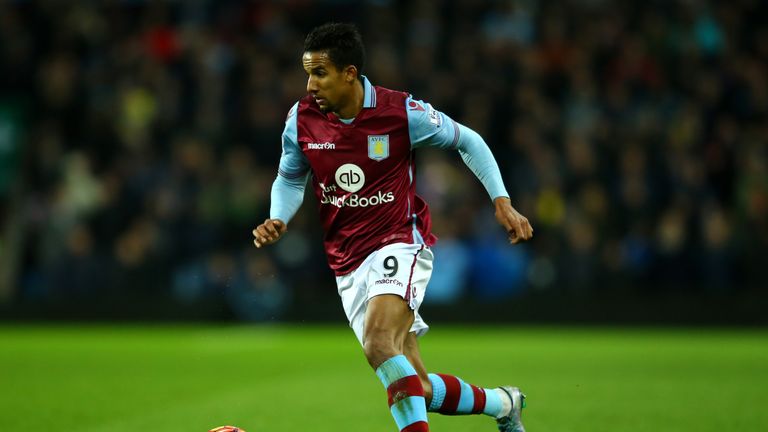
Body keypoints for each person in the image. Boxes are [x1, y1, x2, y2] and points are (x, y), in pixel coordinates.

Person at [253, 23, 533, 432]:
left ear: (350, 73)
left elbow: (468, 141)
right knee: (415, 384)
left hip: (398, 243)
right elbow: (291, 177)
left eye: (320, 73)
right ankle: (504, 404)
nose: (310, 84)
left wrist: (502, 201)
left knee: (378, 343)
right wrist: (279, 216)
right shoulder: (301, 119)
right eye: (308, 73)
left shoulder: (400, 112)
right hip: (346, 263)